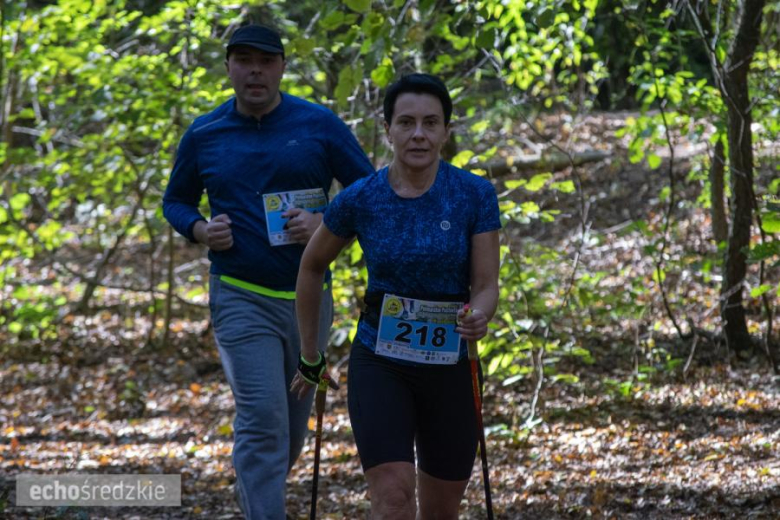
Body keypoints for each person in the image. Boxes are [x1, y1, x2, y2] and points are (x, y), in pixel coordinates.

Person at [162, 24, 373, 520]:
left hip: (308, 299)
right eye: (243, 60)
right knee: (263, 421)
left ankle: (256, 488)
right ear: (229, 67)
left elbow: (368, 189)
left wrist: (326, 223)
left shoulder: (318, 124)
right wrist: (198, 229)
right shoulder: (205, 133)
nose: (254, 70)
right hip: (238, 294)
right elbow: (175, 200)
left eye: (265, 60)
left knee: (291, 430)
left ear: (281, 67)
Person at [292, 73, 500, 520]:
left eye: (430, 122)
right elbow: (311, 266)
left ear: (446, 130)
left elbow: (485, 284)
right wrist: (310, 353)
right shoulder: (360, 198)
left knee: (440, 510)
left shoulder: (474, 194)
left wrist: (479, 314)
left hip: (450, 365)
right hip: (380, 360)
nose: (419, 134)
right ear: (388, 130)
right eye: (406, 123)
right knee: (392, 498)